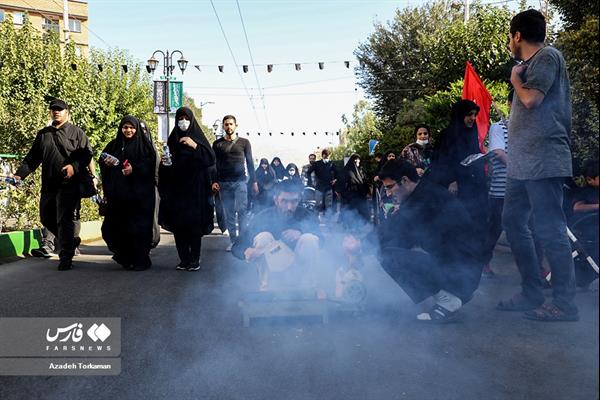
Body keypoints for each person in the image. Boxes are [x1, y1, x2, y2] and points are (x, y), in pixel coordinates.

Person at [497, 9, 579, 321]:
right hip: (522, 162)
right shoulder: (528, 64)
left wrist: (516, 80)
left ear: (517, 35)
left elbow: (532, 100)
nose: (509, 41)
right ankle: (532, 291)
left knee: (550, 229)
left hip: (544, 158)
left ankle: (564, 304)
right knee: (513, 222)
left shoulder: (547, 56)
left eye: (510, 35)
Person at [377, 160, 484, 323]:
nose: (388, 193)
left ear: (405, 180)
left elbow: (392, 235)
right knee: (390, 250)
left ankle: (450, 299)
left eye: (390, 187)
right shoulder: (425, 192)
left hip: (461, 274)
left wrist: (359, 245)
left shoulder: (422, 201)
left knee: (387, 255)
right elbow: (398, 239)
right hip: (463, 270)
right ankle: (453, 293)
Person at [14, 99, 92, 271]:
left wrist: (74, 166)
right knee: (46, 218)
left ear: (67, 112)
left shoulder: (77, 133)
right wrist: (19, 175)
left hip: (68, 185)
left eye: (60, 109)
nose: (56, 112)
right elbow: (32, 158)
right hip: (49, 184)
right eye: (53, 109)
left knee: (64, 219)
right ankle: (70, 243)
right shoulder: (43, 134)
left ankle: (65, 257)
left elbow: (87, 155)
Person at [232, 179, 321, 291]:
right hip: (273, 273)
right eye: (284, 201)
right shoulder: (263, 217)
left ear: (299, 200)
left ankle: (308, 289)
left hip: (300, 270)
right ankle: (267, 288)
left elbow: (322, 240)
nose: (289, 207)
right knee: (263, 237)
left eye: (294, 201)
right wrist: (246, 251)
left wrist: (301, 232)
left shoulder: (306, 215)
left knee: (310, 239)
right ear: (276, 200)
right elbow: (237, 246)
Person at [159, 107, 216, 271]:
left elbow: (210, 159)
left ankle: (194, 259)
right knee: (179, 226)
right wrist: (164, 164)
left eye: (186, 118)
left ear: (192, 120)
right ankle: (183, 259)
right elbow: (166, 167)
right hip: (177, 192)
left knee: (193, 227)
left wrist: (195, 146)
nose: (183, 122)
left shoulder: (199, 140)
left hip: (196, 192)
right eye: (180, 118)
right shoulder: (172, 140)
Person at [99, 116, 159, 271]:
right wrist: (107, 163)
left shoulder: (145, 147)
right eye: (125, 127)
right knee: (112, 229)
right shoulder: (114, 145)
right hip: (118, 196)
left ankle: (140, 260)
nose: (128, 130)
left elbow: (151, 166)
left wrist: (135, 169)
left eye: (131, 127)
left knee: (138, 230)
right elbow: (103, 159)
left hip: (140, 198)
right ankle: (125, 257)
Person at [212, 115, 258, 251]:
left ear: (236, 125)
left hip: (240, 182)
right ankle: (233, 241)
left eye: (231, 124)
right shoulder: (217, 144)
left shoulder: (244, 142)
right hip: (224, 183)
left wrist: (254, 181)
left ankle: (242, 241)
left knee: (242, 210)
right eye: (226, 124)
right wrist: (214, 181)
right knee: (229, 213)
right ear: (223, 126)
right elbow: (213, 164)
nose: (229, 127)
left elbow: (250, 162)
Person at [336, 154, 371, 226]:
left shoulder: (360, 170)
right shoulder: (346, 170)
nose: (358, 161)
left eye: (359, 159)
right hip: (350, 196)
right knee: (350, 213)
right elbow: (341, 182)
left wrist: (367, 191)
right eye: (357, 159)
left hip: (360, 195)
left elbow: (365, 181)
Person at [307, 148, 338, 221]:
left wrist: (335, 180)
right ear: (322, 155)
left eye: (327, 156)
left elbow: (337, 173)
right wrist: (311, 182)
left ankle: (328, 221)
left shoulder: (331, 163)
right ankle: (314, 221)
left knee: (329, 206)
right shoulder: (316, 163)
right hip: (319, 188)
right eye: (325, 155)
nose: (326, 157)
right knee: (318, 205)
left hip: (329, 188)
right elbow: (308, 172)